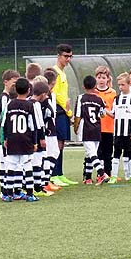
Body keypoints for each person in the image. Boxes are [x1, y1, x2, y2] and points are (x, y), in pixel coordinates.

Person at [2, 77, 42, 202]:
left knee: (11, 166)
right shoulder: (30, 105)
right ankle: (30, 194)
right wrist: (34, 142)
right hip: (26, 140)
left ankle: (9, 194)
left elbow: (5, 124)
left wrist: (6, 138)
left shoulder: (10, 104)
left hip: (12, 139)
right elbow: (33, 126)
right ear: (29, 90)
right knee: (27, 166)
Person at [74, 75, 109, 185]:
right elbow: (103, 115)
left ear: (83, 87)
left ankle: (102, 173)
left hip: (86, 130)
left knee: (91, 153)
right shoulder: (99, 99)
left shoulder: (81, 98)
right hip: (97, 129)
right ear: (95, 86)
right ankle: (88, 177)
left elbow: (78, 115)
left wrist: (75, 127)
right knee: (90, 153)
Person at [51, 44, 77, 186]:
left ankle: (60, 174)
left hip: (63, 112)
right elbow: (56, 95)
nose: (68, 59)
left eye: (70, 56)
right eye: (66, 56)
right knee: (57, 143)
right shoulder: (54, 72)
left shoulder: (63, 73)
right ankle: (54, 175)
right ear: (58, 56)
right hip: (58, 111)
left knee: (62, 143)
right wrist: (69, 112)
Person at [107, 72, 131, 184]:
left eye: (123, 84)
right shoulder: (116, 99)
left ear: (129, 84)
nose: (120, 87)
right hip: (118, 132)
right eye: (119, 85)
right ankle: (114, 176)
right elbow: (113, 114)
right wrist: (104, 110)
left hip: (129, 131)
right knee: (116, 153)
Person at [0, 69, 20, 200]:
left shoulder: (11, 98)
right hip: (1, 136)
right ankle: (4, 191)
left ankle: (12, 190)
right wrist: (5, 136)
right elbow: (4, 118)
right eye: (13, 83)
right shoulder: (4, 98)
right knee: (4, 163)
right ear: (5, 82)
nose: (15, 85)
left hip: (9, 135)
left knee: (11, 163)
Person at [30, 80, 53, 197]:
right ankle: (38, 188)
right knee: (37, 163)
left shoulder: (28, 102)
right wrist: (42, 137)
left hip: (28, 136)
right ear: (43, 94)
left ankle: (29, 186)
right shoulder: (36, 105)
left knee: (30, 163)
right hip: (36, 137)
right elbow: (39, 123)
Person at [93, 65, 116, 176]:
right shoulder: (93, 92)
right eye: (99, 77)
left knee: (108, 151)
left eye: (103, 77)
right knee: (98, 152)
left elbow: (114, 110)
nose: (101, 80)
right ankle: (100, 174)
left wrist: (106, 110)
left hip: (108, 127)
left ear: (108, 79)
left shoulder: (112, 93)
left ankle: (108, 172)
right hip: (96, 127)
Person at [41, 68, 61, 193]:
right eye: (52, 84)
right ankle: (45, 181)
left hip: (51, 126)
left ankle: (46, 180)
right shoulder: (44, 96)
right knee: (50, 153)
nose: (53, 86)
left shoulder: (51, 94)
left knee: (54, 153)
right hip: (47, 128)